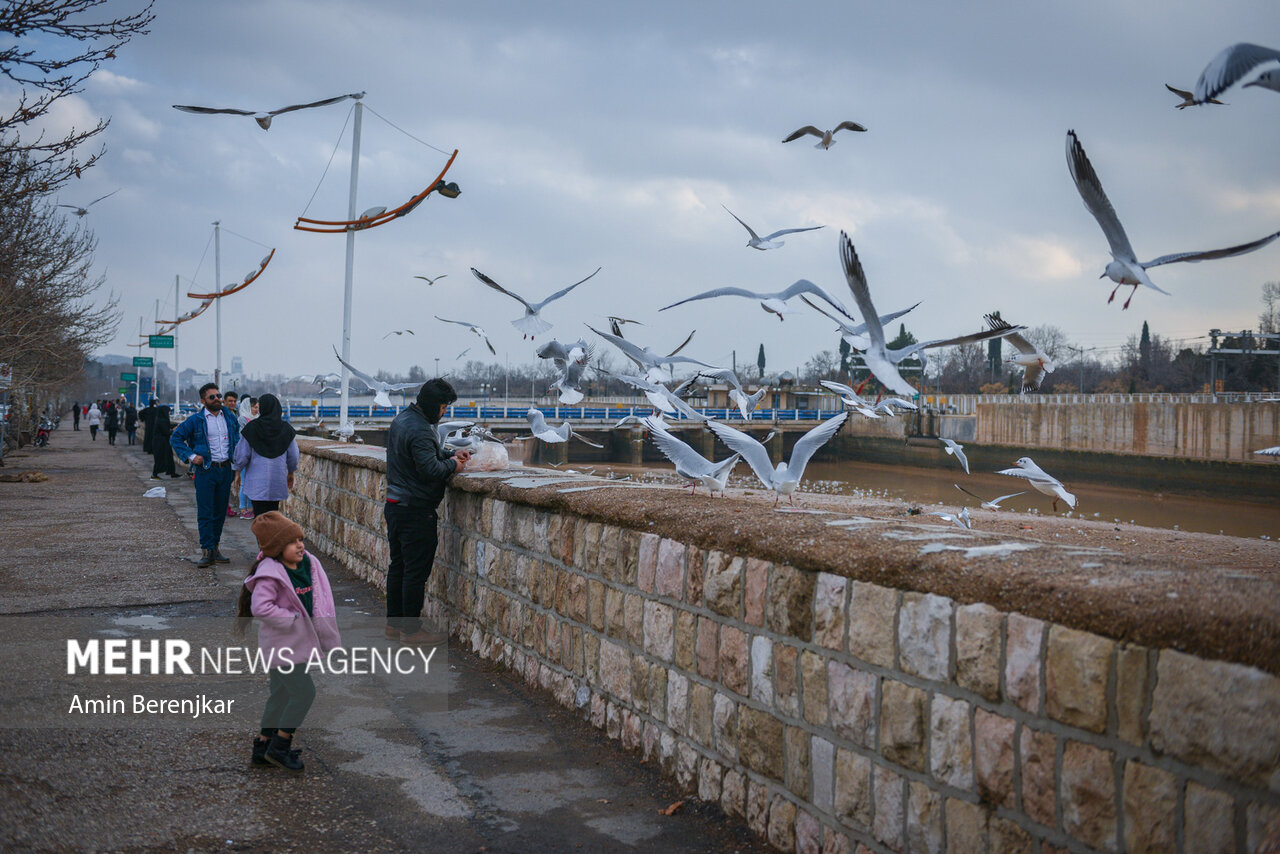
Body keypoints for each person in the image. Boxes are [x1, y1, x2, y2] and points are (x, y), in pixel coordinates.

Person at [236, 511, 341, 772]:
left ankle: (262, 746)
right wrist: (292, 619)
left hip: (300, 645)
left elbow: (320, 596)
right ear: (275, 548)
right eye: (292, 542)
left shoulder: (308, 564)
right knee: (305, 693)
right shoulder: (271, 572)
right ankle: (280, 746)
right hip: (282, 648)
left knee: (280, 695)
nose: (300, 545)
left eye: (300, 539)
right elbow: (261, 607)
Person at [384, 378, 469, 645]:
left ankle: (393, 626)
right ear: (434, 405)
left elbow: (422, 455)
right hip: (416, 510)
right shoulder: (421, 429)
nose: (445, 412)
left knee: (398, 567)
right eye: (444, 407)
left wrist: (449, 455)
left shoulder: (403, 420)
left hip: (396, 505)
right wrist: (454, 466)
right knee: (414, 574)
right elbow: (429, 470)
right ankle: (411, 632)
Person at [171, 383, 241, 568]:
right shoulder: (196, 420)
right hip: (206, 471)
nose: (217, 399)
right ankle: (206, 550)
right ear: (203, 401)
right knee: (205, 511)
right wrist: (192, 456)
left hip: (225, 469)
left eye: (218, 395)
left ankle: (216, 548)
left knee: (219, 511)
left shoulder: (230, 417)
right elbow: (175, 438)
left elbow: (238, 439)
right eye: (212, 397)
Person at [232, 394, 298, 518]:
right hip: (276, 480)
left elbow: (242, 454)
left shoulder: (252, 428)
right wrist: (291, 472)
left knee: (259, 517)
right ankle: (271, 537)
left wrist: (237, 471)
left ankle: (261, 537)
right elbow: (293, 456)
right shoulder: (286, 429)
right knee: (273, 515)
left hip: (256, 483)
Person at [234, 396, 258, 518]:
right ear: (248, 407)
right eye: (254, 407)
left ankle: (250, 508)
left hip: (254, 456)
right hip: (244, 455)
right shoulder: (242, 420)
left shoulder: (256, 419)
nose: (256, 410)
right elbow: (243, 438)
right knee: (243, 482)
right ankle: (243, 509)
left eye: (258, 407)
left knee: (251, 482)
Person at [149, 404, 180, 479]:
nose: (169, 413)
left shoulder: (160, 419)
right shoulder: (162, 420)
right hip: (160, 443)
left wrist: (173, 426)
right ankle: (154, 474)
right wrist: (173, 429)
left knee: (168, 458)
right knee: (160, 459)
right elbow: (166, 431)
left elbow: (167, 427)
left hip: (162, 442)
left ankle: (172, 472)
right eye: (168, 411)